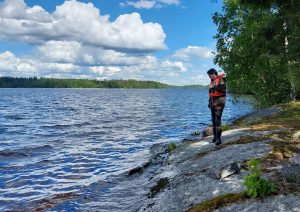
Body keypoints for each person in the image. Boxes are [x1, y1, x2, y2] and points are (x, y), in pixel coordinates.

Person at [207, 68, 226, 145]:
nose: (209, 77)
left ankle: (218, 139)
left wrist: (215, 87)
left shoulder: (221, 80)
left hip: (219, 103)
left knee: (217, 120)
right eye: (208, 76)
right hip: (213, 103)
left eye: (210, 75)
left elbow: (223, 90)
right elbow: (211, 93)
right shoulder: (212, 81)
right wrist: (209, 102)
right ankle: (215, 138)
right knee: (213, 120)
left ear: (214, 74)